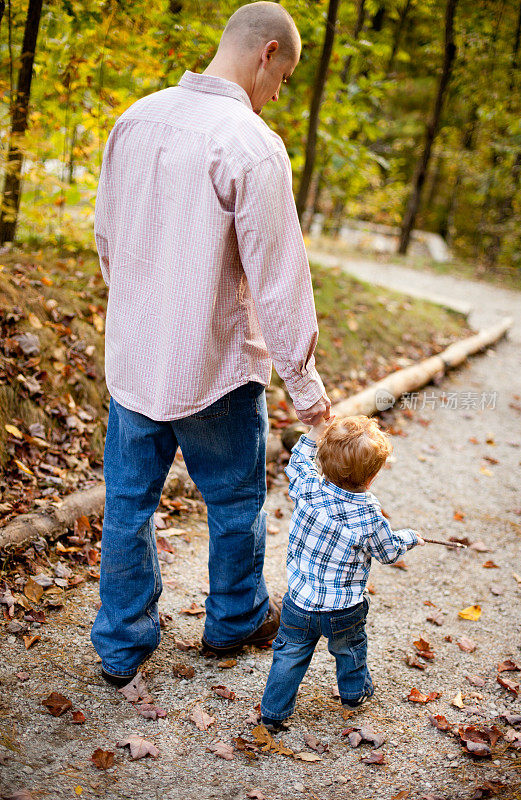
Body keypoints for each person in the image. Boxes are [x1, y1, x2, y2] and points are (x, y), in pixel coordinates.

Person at [91, 1, 331, 687]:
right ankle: (232, 621)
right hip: (215, 367)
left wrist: (143, 310)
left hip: (135, 361)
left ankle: (120, 643)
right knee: (232, 505)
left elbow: (107, 238)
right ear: (268, 55)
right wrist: (308, 398)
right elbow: (279, 284)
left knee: (128, 506)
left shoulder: (135, 117)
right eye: (283, 78)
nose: (277, 93)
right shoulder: (250, 143)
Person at [260, 415, 425, 731]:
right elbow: (388, 552)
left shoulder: (308, 486)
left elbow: (296, 461)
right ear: (373, 475)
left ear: (322, 459)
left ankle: (273, 712)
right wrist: (411, 537)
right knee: (350, 649)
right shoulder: (369, 515)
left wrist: (314, 432)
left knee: (289, 654)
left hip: (299, 602)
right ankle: (353, 694)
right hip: (344, 609)